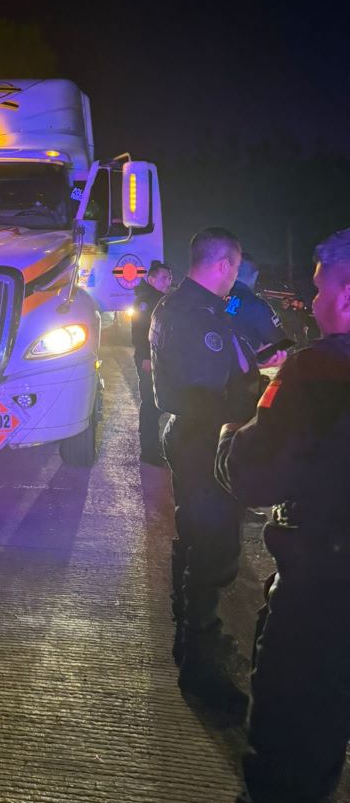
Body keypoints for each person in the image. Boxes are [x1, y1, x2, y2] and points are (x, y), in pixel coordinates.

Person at [216, 228, 350, 803]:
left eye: (321, 290)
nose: (314, 303)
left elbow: (254, 475)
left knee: (289, 756)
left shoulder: (318, 370)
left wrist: (228, 437)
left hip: (323, 592)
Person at [150, 227, 269, 718]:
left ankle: (190, 636)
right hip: (205, 440)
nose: (236, 279)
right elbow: (208, 393)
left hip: (191, 437)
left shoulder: (185, 306)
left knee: (195, 536)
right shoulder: (197, 316)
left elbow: (249, 336)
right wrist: (252, 393)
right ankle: (201, 661)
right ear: (223, 264)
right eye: (235, 270)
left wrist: (255, 357)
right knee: (214, 546)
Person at [131, 259, 173, 465]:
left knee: (156, 403)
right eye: (164, 278)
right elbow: (139, 332)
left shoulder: (160, 299)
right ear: (151, 279)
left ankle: (152, 445)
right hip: (149, 359)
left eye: (170, 277)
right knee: (150, 403)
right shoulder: (146, 300)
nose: (168, 281)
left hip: (159, 358)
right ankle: (148, 451)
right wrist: (146, 357)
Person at [225, 253, 288, 354]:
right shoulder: (256, 306)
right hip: (243, 368)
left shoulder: (211, 298)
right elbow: (280, 344)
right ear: (255, 275)